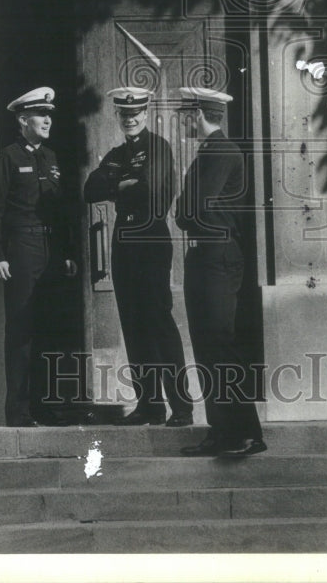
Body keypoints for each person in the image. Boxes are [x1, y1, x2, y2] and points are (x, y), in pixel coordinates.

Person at [84, 87, 193, 427]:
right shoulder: (116, 154)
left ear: (145, 114)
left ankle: (182, 406)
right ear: (118, 117)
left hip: (150, 238)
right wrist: (122, 184)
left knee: (158, 321)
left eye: (135, 114)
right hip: (123, 241)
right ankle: (150, 405)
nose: (130, 119)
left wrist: (120, 184)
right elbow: (90, 190)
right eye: (124, 115)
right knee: (132, 324)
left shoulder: (158, 146)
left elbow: (153, 191)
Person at [174, 85, 266, 457]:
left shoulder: (221, 151)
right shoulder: (207, 152)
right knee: (206, 347)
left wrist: (184, 209)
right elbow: (187, 211)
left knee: (221, 345)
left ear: (197, 114)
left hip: (218, 255)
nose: (183, 121)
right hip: (202, 256)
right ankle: (220, 429)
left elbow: (189, 210)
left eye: (185, 115)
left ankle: (247, 432)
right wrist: (185, 209)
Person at [0, 87, 75, 427]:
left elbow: (59, 210)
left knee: (48, 328)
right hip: (21, 250)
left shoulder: (50, 157)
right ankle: (18, 410)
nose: (48, 120)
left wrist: (65, 253)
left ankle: (44, 404)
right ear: (23, 120)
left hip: (50, 251)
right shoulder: (7, 158)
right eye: (41, 115)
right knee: (21, 328)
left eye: (49, 114)